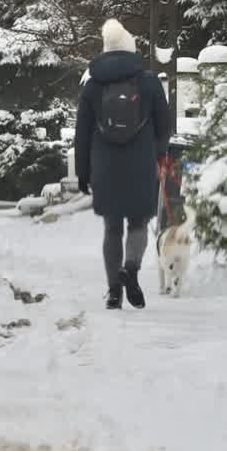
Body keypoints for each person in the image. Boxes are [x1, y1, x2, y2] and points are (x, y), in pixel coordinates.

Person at [74, 18, 174, 309]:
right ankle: (130, 269)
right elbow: (164, 125)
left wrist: (83, 172)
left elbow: (82, 133)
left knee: (112, 228)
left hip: (105, 166)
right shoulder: (149, 82)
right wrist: (159, 154)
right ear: (130, 48)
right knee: (139, 223)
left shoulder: (93, 85)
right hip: (141, 164)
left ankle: (114, 291)